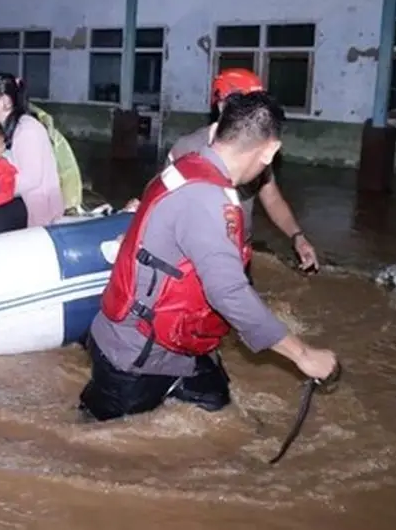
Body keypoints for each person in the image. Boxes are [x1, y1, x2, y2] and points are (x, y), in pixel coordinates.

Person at [79, 92, 338, 422]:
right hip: (135, 356)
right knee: (101, 449)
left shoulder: (187, 164)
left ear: (217, 132)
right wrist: (303, 355)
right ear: (271, 150)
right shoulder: (208, 200)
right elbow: (229, 292)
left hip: (177, 346)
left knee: (217, 406)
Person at [168, 68, 319, 271]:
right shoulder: (187, 149)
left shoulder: (258, 149)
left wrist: (297, 236)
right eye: (248, 106)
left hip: (240, 254)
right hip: (197, 260)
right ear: (222, 106)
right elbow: (165, 208)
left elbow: (272, 199)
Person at [0, 73, 64, 233]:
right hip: (23, 199)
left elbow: (30, 179)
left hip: (36, 205)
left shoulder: (27, 129)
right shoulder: (8, 129)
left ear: (5, 102)